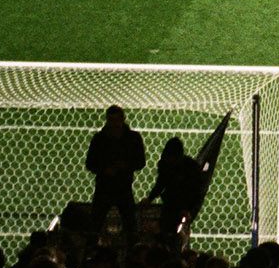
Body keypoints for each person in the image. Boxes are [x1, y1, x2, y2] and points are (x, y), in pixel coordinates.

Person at [85, 104, 146, 245]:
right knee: (95, 225)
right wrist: (104, 170)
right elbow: (90, 163)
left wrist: (125, 166)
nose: (113, 124)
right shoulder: (99, 139)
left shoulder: (133, 138)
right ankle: (91, 250)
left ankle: (133, 252)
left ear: (123, 119)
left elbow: (140, 162)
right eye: (110, 120)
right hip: (103, 188)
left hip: (123, 188)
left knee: (131, 224)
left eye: (115, 120)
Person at [145, 135, 204, 236]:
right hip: (170, 203)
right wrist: (149, 199)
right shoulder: (165, 165)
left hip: (184, 203)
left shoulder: (191, 168)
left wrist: (188, 209)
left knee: (175, 233)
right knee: (165, 230)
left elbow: (196, 193)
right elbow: (160, 184)